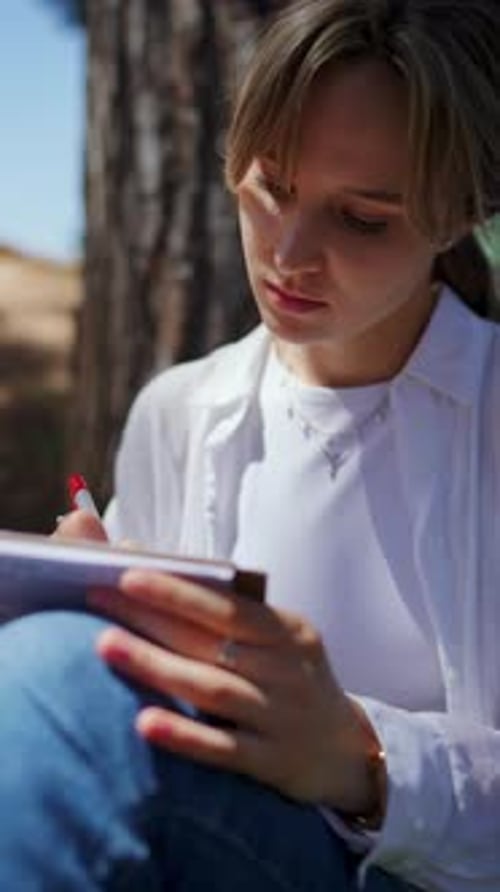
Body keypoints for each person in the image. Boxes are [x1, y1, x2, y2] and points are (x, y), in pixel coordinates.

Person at [0, 0, 499, 888]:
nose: (289, 255)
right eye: (272, 186)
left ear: (463, 212)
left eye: (363, 219)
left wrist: (363, 763)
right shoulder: (181, 412)